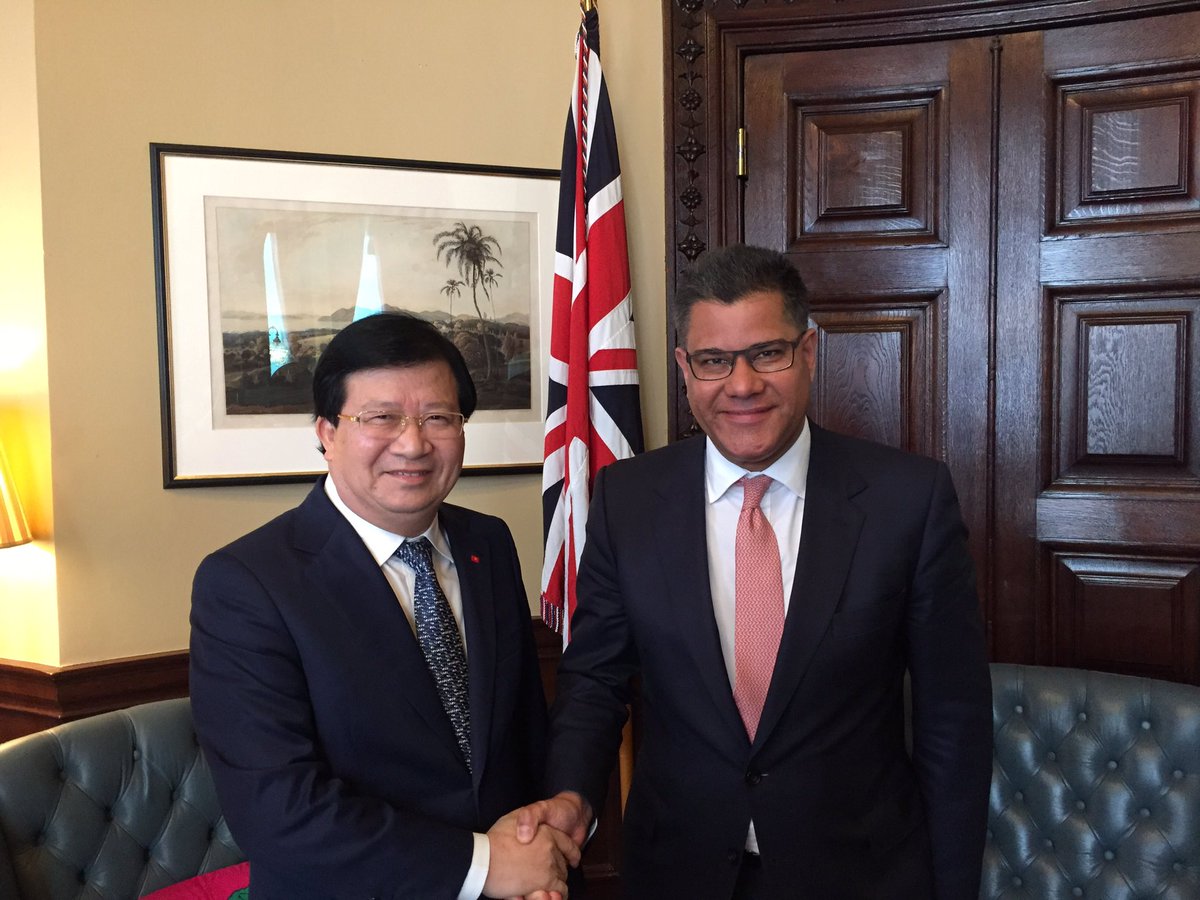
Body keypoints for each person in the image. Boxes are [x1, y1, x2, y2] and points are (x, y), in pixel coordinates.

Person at [516, 245, 992, 899]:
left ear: (808, 353)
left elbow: (952, 717)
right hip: (678, 872)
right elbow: (595, 679)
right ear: (685, 368)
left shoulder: (908, 500)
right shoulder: (628, 499)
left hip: (860, 874)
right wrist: (573, 794)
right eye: (714, 360)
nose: (741, 385)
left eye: (767, 353)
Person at [190, 313, 578, 899]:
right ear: (326, 432)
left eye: (438, 418)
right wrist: (483, 865)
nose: (414, 443)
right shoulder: (246, 584)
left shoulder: (488, 543)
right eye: (381, 418)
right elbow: (279, 813)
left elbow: (522, 736)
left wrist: (538, 847)